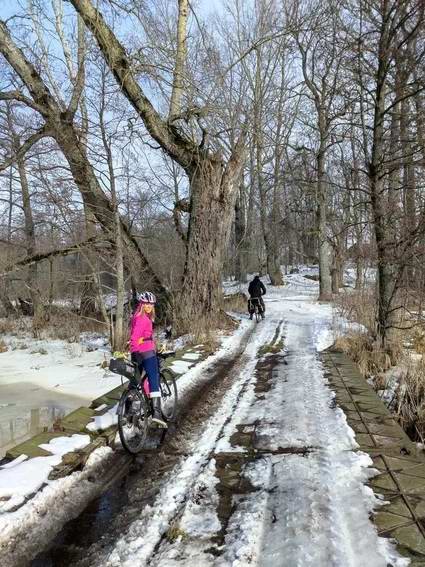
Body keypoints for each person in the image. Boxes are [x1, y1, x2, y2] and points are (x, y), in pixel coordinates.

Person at [129, 291, 167, 428]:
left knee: (135, 380)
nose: (149, 306)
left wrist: (134, 352)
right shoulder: (142, 319)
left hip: (139, 352)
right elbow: (134, 337)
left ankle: (128, 409)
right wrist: (136, 351)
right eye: (146, 304)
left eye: (151, 304)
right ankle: (156, 413)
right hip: (145, 352)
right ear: (141, 304)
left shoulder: (136, 317)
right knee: (153, 378)